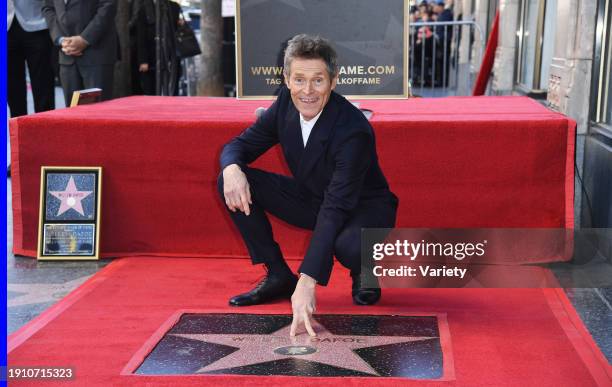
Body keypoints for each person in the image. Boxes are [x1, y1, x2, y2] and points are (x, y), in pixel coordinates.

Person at [218, 34, 398, 336]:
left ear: (333, 81)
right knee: (231, 180)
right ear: (287, 79)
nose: (308, 91)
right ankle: (277, 275)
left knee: (349, 245)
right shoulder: (285, 104)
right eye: (299, 80)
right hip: (314, 197)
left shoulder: (354, 130)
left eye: (318, 80)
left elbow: (336, 207)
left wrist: (308, 280)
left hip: (363, 208)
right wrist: (231, 167)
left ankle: (363, 270)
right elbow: (240, 145)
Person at [42, 0, 118, 106]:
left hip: (97, 53)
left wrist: (84, 39)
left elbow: (108, 5)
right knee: (72, 114)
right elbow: (48, 8)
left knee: (99, 113)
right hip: (66, 55)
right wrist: (60, 39)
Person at [7, 0, 55, 117]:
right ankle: (18, 130)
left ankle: (45, 128)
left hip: (38, 22)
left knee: (43, 84)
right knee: (11, 87)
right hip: (6, 26)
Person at [136, 0, 182, 95]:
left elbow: (176, 30)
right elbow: (141, 36)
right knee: (151, 87)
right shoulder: (144, 9)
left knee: (173, 85)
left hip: (171, 54)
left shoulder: (174, 7)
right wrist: (143, 60)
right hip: (152, 55)